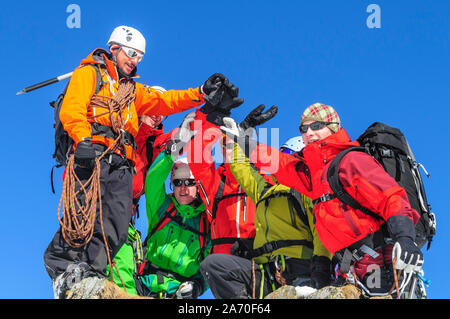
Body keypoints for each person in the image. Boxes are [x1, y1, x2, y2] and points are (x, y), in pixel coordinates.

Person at [43, 25, 230, 299]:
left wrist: (201, 92)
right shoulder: (90, 74)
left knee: (114, 225)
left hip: (121, 165)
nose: (135, 60)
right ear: (115, 48)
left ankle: (93, 272)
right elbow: (73, 108)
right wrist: (82, 141)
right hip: (94, 152)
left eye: (140, 57)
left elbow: (166, 101)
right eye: (131, 53)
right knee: (84, 215)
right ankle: (62, 269)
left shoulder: (134, 91)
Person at [223, 102, 423, 296]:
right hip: (350, 268)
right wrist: (243, 140)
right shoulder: (314, 175)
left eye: (317, 126)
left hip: (378, 261)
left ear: (333, 128)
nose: (309, 133)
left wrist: (405, 237)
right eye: (304, 128)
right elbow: (279, 164)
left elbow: (391, 196)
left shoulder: (351, 160)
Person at [200, 133, 332, 299]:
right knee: (213, 265)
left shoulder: (308, 191)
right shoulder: (265, 191)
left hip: (299, 266)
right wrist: (233, 141)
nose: (283, 163)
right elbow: (242, 170)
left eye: (289, 157)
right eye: (281, 157)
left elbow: (321, 231)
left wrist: (322, 265)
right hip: (265, 270)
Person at [136, 113, 210, 298]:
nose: (183, 188)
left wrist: (198, 286)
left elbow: (211, 262)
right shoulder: (162, 205)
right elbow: (153, 178)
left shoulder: (207, 220)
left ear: (199, 186)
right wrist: (172, 152)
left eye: (189, 182)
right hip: (145, 283)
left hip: (180, 292)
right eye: (178, 183)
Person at [105, 112, 165, 295]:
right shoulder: (120, 132)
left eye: (164, 114)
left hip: (125, 221)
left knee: (123, 274)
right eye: (156, 109)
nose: (159, 116)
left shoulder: (152, 145)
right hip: (104, 213)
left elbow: (177, 141)